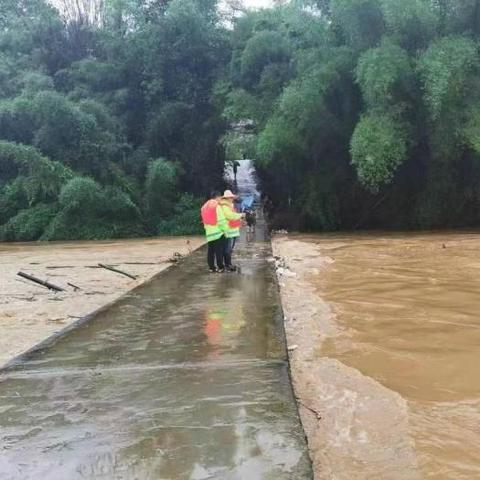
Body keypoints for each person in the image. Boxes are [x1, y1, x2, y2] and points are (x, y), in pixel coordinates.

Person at [201, 191, 227, 273]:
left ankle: (211, 268)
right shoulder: (217, 206)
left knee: (211, 251)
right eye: (220, 198)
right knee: (219, 251)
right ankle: (220, 267)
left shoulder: (204, 207)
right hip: (218, 232)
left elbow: (204, 221)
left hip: (209, 233)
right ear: (217, 197)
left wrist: (207, 230)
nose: (220, 200)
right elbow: (221, 220)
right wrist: (225, 230)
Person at [220, 190, 243, 271]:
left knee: (230, 249)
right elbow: (230, 216)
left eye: (232, 197)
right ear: (227, 198)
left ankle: (228, 264)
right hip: (229, 231)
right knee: (227, 249)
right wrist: (241, 215)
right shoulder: (225, 206)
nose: (232, 198)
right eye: (231, 197)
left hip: (232, 231)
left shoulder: (230, 205)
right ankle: (228, 265)